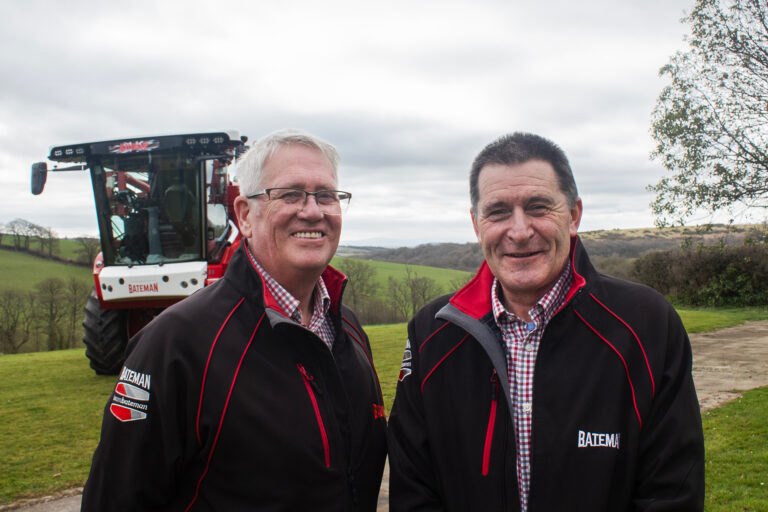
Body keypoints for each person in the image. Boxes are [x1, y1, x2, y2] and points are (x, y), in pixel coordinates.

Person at [387, 132, 705, 511]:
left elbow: (671, 492)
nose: (519, 232)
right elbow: (413, 488)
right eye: (498, 211)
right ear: (476, 225)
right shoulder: (433, 332)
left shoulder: (646, 324)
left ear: (573, 216)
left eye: (538, 207)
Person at [82, 129, 387, 511]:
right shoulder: (175, 345)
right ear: (244, 215)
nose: (313, 210)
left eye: (326, 195)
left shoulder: (350, 332)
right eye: (289, 194)